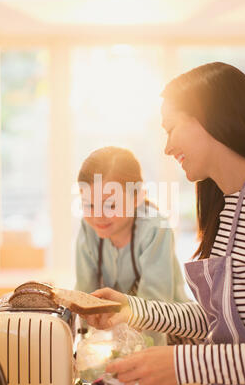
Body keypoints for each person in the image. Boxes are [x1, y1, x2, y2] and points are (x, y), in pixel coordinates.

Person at [83, 62, 245, 385]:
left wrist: (178, 365)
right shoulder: (227, 206)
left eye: (171, 128)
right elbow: (216, 321)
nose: (168, 147)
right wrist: (131, 309)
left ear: (211, 118)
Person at [75, 146, 188, 346]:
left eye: (110, 205)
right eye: (89, 205)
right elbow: (84, 295)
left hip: (171, 333)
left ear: (137, 197)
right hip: (123, 335)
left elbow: (156, 308)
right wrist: (80, 344)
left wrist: (145, 361)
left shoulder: (155, 229)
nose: (98, 216)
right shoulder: (88, 228)